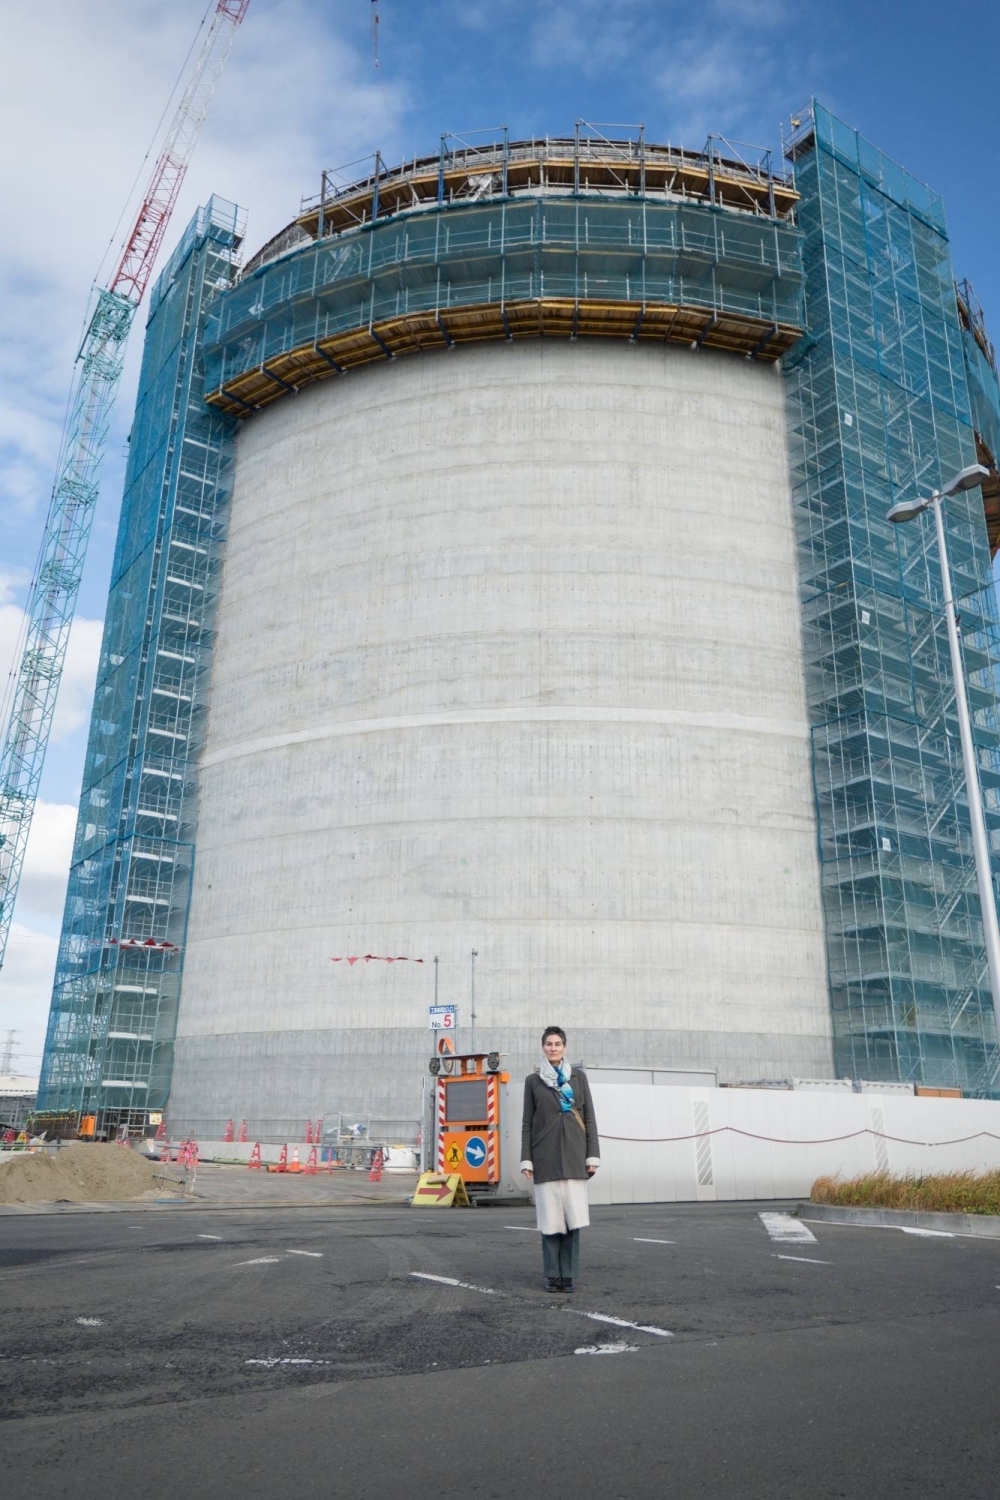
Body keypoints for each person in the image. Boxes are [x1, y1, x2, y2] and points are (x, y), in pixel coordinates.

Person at [520, 1026, 600, 1293]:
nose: (553, 1048)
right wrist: (526, 1159)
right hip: (545, 1157)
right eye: (549, 1044)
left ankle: (568, 1276)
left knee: (572, 1220)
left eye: (557, 1044)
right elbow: (527, 1124)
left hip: (575, 1156)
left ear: (564, 1047)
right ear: (543, 1047)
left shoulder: (579, 1078)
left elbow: (589, 1118)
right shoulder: (533, 1081)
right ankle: (553, 1275)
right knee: (550, 1221)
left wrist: (593, 1155)